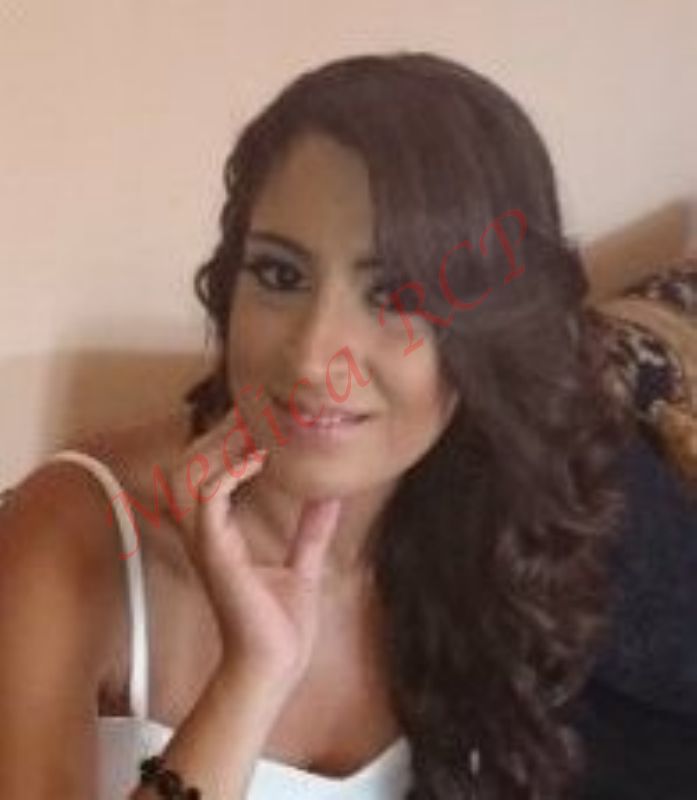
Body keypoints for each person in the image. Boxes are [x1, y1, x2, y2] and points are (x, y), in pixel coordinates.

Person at [0, 52, 628, 799]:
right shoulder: (74, 532)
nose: (311, 356)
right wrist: (249, 680)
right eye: (279, 275)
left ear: (492, 331)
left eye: (396, 294)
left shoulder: (485, 528)